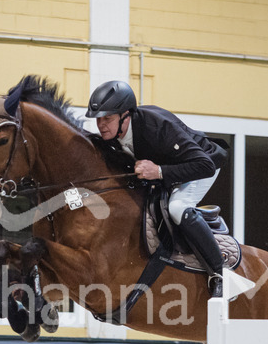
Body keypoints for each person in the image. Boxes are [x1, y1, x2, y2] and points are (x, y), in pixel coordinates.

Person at [86, 80, 229, 297]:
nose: (101, 125)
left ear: (126, 115)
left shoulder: (157, 127)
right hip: (169, 171)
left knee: (178, 207)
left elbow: (205, 166)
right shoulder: (112, 137)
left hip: (202, 165)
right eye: (98, 119)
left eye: (107, 118)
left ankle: (219, 273)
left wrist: (159, 171)